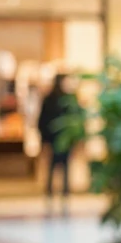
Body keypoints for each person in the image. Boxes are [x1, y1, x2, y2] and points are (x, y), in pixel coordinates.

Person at [37, 73, 77, 207]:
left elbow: (41, 121)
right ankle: (62, 192)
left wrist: (44, 139)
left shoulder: (57, 99)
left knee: (54, 166)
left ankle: (53, 192)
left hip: (56, 139)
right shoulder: (64, 99)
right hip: (59, 138)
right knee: (62, 166)